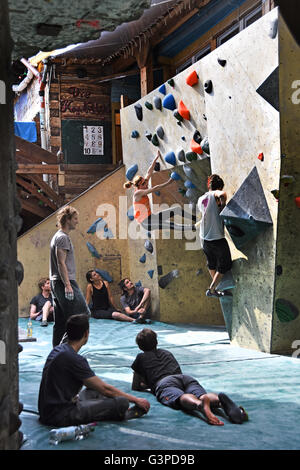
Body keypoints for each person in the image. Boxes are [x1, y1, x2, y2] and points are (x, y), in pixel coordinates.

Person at [38, 314, 150, 427]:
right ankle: (121, 413)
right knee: (122, 402)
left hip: (47, 410)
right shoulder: (75, 359)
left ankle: (101, 407)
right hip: (61, 415)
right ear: (86, 334)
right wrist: (136, 400)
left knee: (94, 391)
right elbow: (106, 390)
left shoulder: (57, 350)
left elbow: (97, 387)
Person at [131, 328, 248, 426]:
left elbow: (135, 386)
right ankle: (220, 402)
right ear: (156, 342)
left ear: (140, 346)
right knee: (202, 395)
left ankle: (199, 405)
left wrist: (147, 385)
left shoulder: (141, 357)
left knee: (181, 397)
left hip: (164, 383)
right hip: (184, 378)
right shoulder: (167, 352)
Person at [124, 150, 196, 232]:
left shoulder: (143, 184)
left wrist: (156, 158)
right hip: (146, 223)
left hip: (151, 217)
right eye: (144, 184)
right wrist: (168, 182)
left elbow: (149, 172)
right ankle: (193, 227)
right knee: (170, 225)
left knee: (176, 210)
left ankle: (195, 218)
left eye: (145, 182)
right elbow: (155, 188)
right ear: (139, 186)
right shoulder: (138, 193)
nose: (146, 184)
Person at [50, 206, 90, 347]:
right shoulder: (62, 238)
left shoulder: (59, 236)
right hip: (63, 282)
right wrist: (67, 284)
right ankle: (66, 349)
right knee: (82, 315)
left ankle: (57, 351)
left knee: (61, 321)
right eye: (75, 219)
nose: (77, 222)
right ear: (67, 220)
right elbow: (61, 263)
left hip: (58, 282)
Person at [196, 174, 232, 298]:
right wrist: (223, 207)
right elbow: (221, 194)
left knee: (211, 263)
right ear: (220, 186)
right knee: (225, 263)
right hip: (216, 238)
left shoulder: (201, 198)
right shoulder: (217, 194)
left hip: (204, 238)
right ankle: (212, 288)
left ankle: (217, 288)